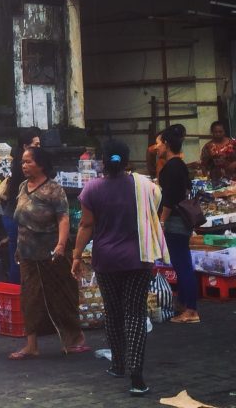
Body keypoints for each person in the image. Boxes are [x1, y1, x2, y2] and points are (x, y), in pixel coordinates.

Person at [72, 139, 166, 397]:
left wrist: (76, 256)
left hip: (106, 260)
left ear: (102, 161)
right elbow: (155, 209)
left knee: (113, 313)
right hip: (138, 259)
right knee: (135, 314)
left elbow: (86, 226)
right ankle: (137, 377)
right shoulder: (146, 186)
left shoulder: (92, 188)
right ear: (127, 162)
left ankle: (117, 365)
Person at [9, 145, 87, 360]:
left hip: (52, 253)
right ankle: (31, 344)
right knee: (29, 297)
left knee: (62, 295)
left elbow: (63, 218)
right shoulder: (23, 186)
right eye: (23, 162)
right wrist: (17, 247)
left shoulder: (54, 189)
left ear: (41, 165)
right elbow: (20, 220)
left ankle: (74, 339)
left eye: (28, 162)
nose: (24, 166)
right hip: (27, 252)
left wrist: (61, 245)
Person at [156, 124, 199, 324]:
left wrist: (162, 221)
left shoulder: (172, 167)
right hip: (183, 220)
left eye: (158, 143)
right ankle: (183, 304)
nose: (156, 147)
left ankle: (191, 310)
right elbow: (184, 190)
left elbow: (170, 198)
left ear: (166, 143)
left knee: (182, 265)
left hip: (175, 221)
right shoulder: (179, 165)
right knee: (182, 263)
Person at [0, 128, 41, 285]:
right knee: (21, 261)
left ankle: (17, 292)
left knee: (17, 259)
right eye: (36, 145)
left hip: (12, 216)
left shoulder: (17, 163)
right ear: (25, 146)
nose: (39, 148)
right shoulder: (24, 168)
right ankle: (18, 293)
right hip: (18, 218)